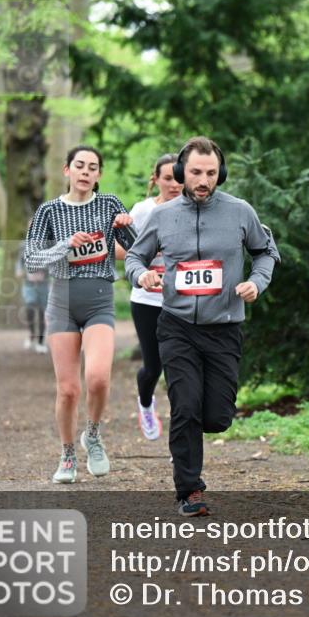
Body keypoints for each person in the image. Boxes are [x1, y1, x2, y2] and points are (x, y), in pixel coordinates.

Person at [126, 136, 280, 517]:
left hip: (224, 327)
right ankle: (189, 490)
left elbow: (265, 252)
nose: (203, 180)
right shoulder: (161, 217)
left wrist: (255, 283)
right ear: (181, 172)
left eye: (211, 173)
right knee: (186, 406)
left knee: (216, 417)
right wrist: (142, 275)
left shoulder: (240, 212)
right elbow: (134, 256)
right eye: (195, 172)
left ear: (220, 174)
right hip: (176, 326)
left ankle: (195, 447)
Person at [24, 145, 136, 484]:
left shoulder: (110, 204)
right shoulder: (49, 211)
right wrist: (64, 245)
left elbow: (138, 247)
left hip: (100, 298)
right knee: (68, 389)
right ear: (67, 170)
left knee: (99, 377)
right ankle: (68, 453)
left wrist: (126, 225)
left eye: (92, 167)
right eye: (80, 165)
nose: (86, 172)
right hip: (62, 301)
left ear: (99, 174)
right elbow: (31, 259)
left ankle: (93, 434)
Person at [126, 154, 183, 440]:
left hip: (183, 300)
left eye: (179, 178)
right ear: (156, 180)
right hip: (147, 300)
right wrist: (148, 252)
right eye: (168, 178)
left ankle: (181, 436)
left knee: (180, 368)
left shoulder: (194, 210)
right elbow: (122, 252)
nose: (175, 185)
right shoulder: (142, 210)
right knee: (154, 366)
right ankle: (146, 403)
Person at [16, 241, 49, 354]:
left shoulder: (48, 245)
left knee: (42, 311)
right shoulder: (23, 246)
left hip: (43, 285)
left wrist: (45, 272)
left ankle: (40, 341)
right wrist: (21, 271)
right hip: (29, 285)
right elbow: (19, 262)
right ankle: (31, 334)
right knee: (29, 307)